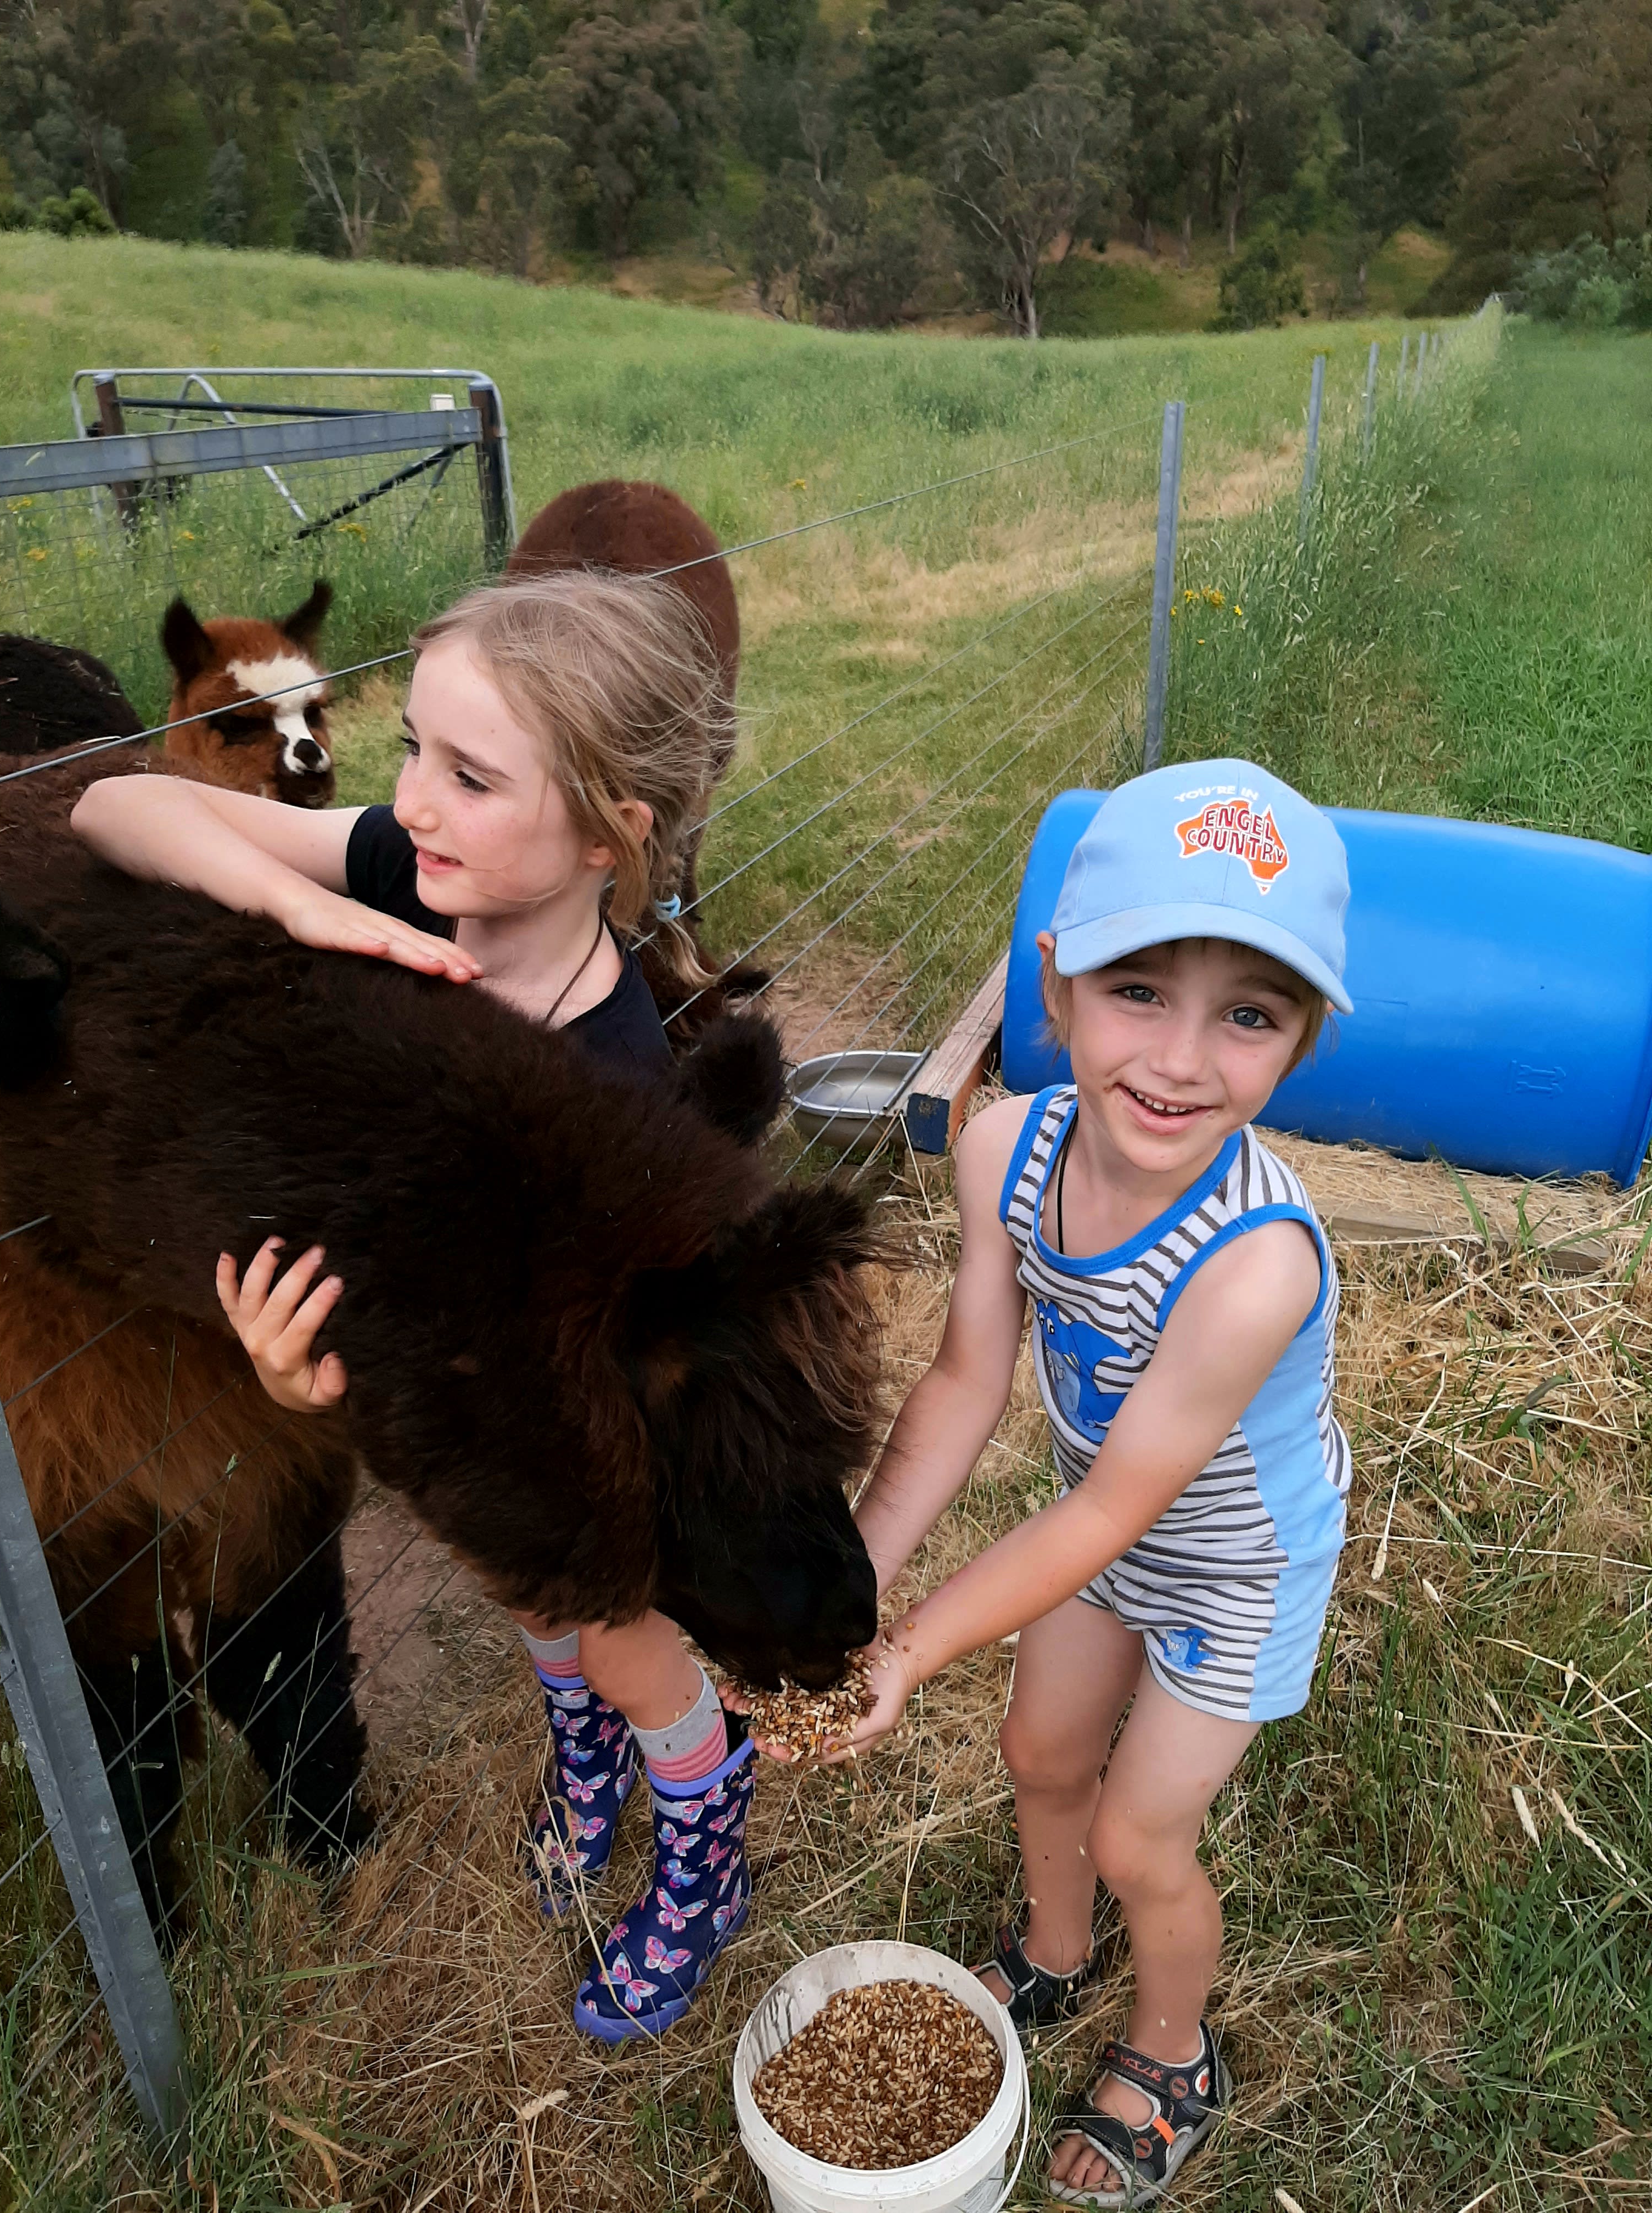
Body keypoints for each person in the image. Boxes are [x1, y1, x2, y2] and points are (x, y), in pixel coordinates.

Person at [71, 569, 759, 2044]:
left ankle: (701, 1812)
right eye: (411, 756)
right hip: (453, 1380)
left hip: (574, 1416)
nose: (416, 801)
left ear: (606, 837)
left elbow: (557, 1356)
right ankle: (582, 1744)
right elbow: (110, 816)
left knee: (607, 1613)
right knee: (514, 1590)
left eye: (469, 774)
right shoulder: (402, 867)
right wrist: (289, 901)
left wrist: (351, 1373)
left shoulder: (603, 1087)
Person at [790, 761, 1353, 2204]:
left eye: (1249, 1013)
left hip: (1233, 1570)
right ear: (1055, 982)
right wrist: (844, 1598)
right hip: (1106, 1531)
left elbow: (1109, 1511)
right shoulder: (1000, 1154)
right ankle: (1055, 1948)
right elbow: (968, 1385)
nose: (1179, 1058)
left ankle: (1172, 2053)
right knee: (1041, 1755)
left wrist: (912, 1644)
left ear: (1299, 1046)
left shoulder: (1255, 1269)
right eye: (1139, 990)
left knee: (1136, 1830)